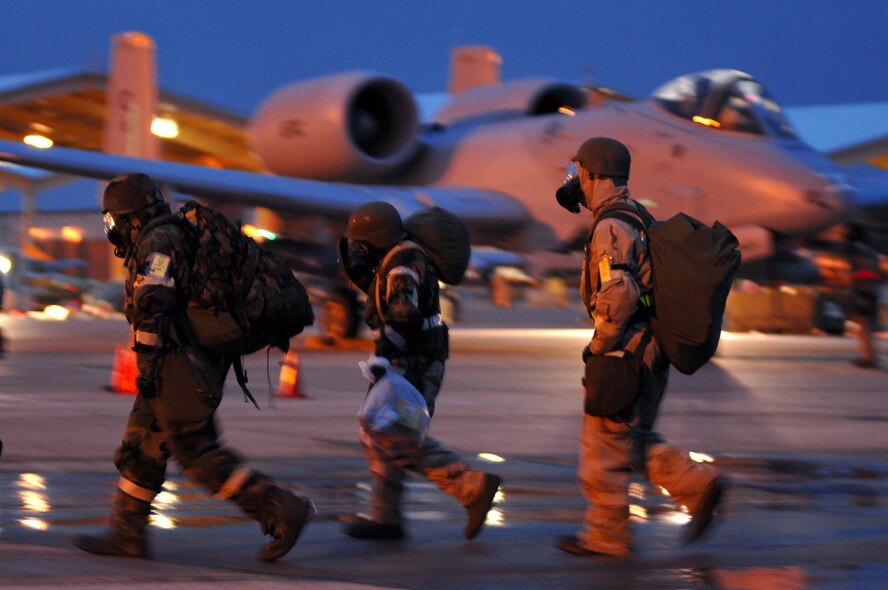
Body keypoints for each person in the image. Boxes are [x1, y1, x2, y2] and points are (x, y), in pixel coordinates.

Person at [74, 172, 312, 561]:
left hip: (183, 360)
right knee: (143, 442)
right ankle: (127, 532)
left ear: (131, 214)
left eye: (114, 219)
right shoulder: (166, 234)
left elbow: (154, 301)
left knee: (193, 448)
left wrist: (147, 366)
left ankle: (278, 506)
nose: (112, 228)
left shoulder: (159, 241)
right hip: (176, 356)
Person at [555, 138, 725, 557]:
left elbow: (619, 292)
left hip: (626, 351)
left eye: (579, 172)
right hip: (649, 349)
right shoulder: (637, 215)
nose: (575, 181)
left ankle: (607, 536)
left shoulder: (611, 226)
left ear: (594, 174)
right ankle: (696, 484)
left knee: (601, 448)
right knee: (630, 439)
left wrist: (599, 346)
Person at [339, 201, 501, 541]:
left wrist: (386, 354)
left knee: (396, 434)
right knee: (382, 432)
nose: (355, 250)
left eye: (360, 243)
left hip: (412, 361)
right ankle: (385, 516)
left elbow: (404, 312)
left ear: (375, 238)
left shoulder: (402, 265)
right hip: (409, 358)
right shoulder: (398, 257)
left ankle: (471, 486)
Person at [846, 223, 883, 369]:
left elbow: (866, 273)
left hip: (865, 292)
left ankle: (870, 358)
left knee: (865, 326)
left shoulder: (859, 250)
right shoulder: (868, 250)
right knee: (864, 325)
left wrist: (863, 295)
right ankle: (868, 357)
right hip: (868, 291)